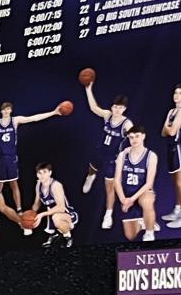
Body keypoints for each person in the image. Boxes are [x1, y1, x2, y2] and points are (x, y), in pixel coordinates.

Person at [81, 79, 132, 227]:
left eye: (120, 108)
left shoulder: (127, 124)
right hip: (100, 150)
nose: (117, 110)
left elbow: (135, 139)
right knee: (92, 168)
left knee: (109, 188)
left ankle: (108, 215)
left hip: (113, 157)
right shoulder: (107, 115)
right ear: (112, 107)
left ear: (124, 109)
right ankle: (90, 177)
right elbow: (93, 107)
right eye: (115, 107)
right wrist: (88, 89)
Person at [113, 124, 159, 242]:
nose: (134, 140)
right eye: (131, 137)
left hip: (142, 192)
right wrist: (123, 199)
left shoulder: (151, 156)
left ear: (143, 136)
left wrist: (132, 199)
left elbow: (149, 183)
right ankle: (146, 220)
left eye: (137, 136)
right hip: (127, 194)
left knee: (147, 201)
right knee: (130, 236)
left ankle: (149, 232)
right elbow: (116, 180)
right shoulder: (123, 155)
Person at [161, 84, 181, 228]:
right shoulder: (172, 111)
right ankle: (177, 209)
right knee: (175, 181)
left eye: (180, 93)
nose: (176, 95)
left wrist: (169, 128)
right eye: (175, 92)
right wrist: (169, 128)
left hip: (180, 146)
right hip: (171, 147)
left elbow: (172, 131)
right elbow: (163, 132)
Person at [33, 159, 75, 247]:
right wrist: (31, 215)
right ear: (37, 175)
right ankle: (58, 232)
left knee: (56, 217)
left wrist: (41, 215)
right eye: (39, 173)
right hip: (51, 216)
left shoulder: (56, 185)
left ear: (50, 173)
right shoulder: (38, 185)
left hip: (67, 214)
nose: (42, 175)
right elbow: (37, 204)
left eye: (44, 172)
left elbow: (61, 207)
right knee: (53, 218)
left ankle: (68, 237)